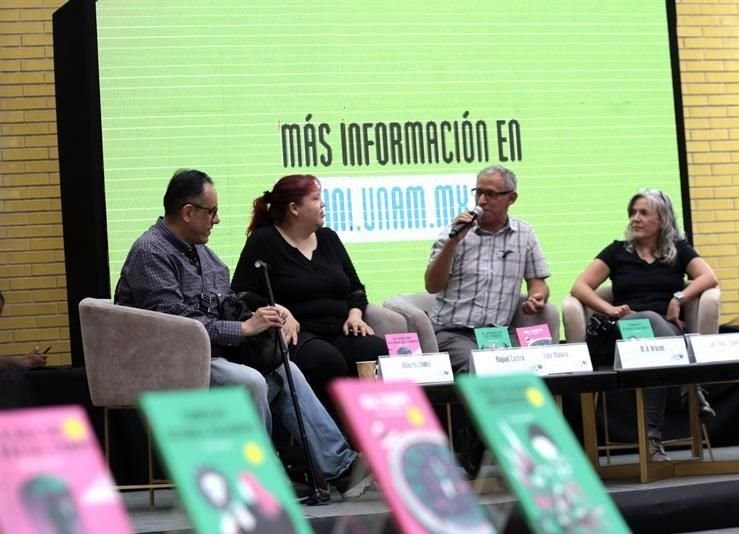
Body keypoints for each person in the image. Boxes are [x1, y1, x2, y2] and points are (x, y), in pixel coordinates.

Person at [114, 169, 370, 500]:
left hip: (213, 353)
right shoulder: (151, 253)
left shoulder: (204, 254)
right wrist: (244, 329)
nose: (217, 220)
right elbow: (175, 326)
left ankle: (341, 467)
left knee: (285, 368)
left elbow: (228, 303)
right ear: (188, 212)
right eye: (211, 212)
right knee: (251, 381)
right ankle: (260, 478)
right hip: (169, 361)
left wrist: (261, 316)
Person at [570, 189, 718, 462]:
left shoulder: (678, 250)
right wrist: (609, 309)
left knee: (657, 346)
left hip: (666, 332)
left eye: (643, 213)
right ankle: (690, 388)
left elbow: (709, 277)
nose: (635, 219)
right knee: (649, 318)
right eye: (633, 213)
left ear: (662, 219)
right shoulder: (617, 251)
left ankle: (652, 441)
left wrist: (679, 298)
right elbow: (580, 286)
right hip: (627, 331)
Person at [231, 175, 387, 408]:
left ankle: (371, 424)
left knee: (376, 349)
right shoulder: (264, 240)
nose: (323, 204)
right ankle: (335, 429)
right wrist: (279, 310)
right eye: (315, 199)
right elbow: (241, 293)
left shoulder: (329, 238)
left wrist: (355, 315)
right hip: (299, 333)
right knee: (326, 361)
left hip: (340, 330)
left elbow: (355, 288)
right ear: (294, 208)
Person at [425, 165, 551, 373]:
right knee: (479, 366)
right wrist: (452, 243)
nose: (482, 201)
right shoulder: (453, 233)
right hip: (453, 332)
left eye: (490, 194)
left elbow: (538, 283)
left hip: (498, 335)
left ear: (511, 198)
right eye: (479, 192)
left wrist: (537, 297)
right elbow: (432, 285)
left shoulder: (524, 234)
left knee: (539, 363)